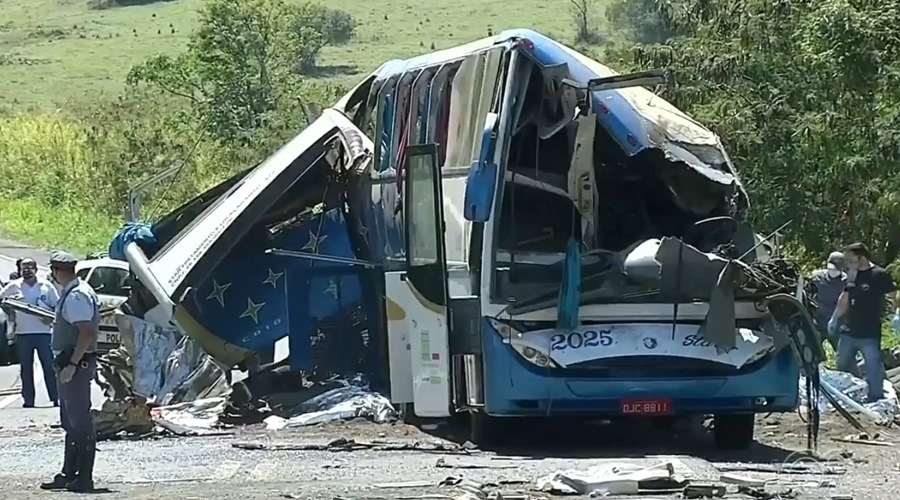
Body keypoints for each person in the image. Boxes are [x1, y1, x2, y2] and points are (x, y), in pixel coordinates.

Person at [40, 251, 100, 493]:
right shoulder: (75, 292)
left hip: (76, 364)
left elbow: (86, 332)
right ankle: (70, 473)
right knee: (70, 421)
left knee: (79, 421)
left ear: (56, 271)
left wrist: (72, 365)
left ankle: (84, 477)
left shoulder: (76, 296)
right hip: (70, 362)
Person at [829, 242, 899, 402]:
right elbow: (844, 297)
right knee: (843, 364)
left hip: (870, 332)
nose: (846, 262)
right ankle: (845, 396)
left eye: (849, 258)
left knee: (873, 367)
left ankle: (876, 397)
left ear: (861, 257)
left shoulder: (879, 275)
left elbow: (894, 296)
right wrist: (835, 318)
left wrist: (897, 313)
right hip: (849, 330)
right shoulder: (851, 275)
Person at [0, 258, 60, 407]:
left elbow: (57, 306)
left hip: (44, 333)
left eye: (30, 267)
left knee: (49, 366)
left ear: (36, 269)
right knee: (26, 369)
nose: (26, 270)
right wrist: (10, 311)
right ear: (20, 269)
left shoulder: (46, 286)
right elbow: (2, 301)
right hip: (23, 334)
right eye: (23, 268)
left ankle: (55, 397)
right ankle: (28, 400)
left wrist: (49, 317)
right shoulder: (13, 287)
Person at [810, 252, 847, 351]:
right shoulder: (816, 277)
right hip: (817, 323)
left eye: (836, 270)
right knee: (812, 352)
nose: (833, 272)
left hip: (836, 325)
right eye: (831, 269)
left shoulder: (846, 282)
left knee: (843, 353)